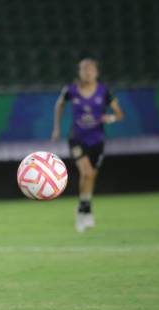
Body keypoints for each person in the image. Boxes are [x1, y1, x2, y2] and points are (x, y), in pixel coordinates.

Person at [52, 58, 123, 232]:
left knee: (90, 177)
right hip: (77, 138)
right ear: (79, 72)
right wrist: (57, 128)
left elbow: (119, 114)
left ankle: (84, 206)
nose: (87, 73)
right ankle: (85, 212)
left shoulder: (104, 91)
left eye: (90, 69)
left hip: (97, 139)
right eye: (84, 70)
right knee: (87, 172)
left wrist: (111, 118)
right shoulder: (71, 90)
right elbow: (59, 104)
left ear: (97, 72)